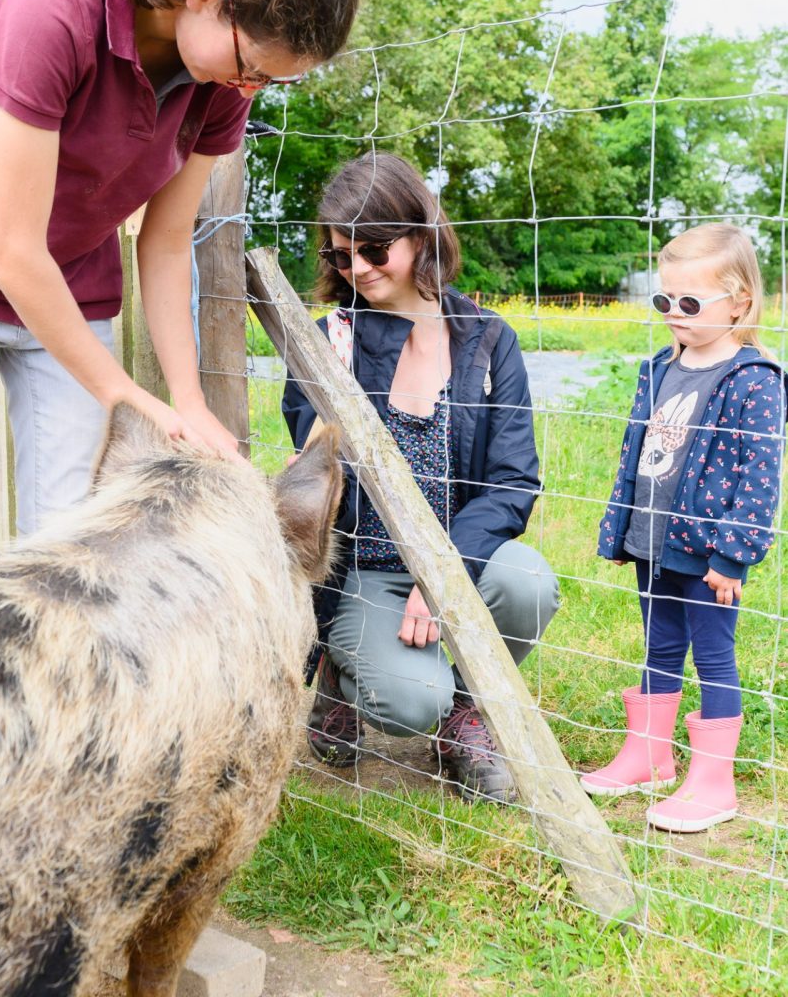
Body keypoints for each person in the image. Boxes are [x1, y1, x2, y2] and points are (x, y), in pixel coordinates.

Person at [0, 0, 359, 566]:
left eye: (271, 82)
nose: (253, 88)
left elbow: (164, 245)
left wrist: (186, 401)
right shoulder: (54, 10)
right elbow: (10, 249)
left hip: (72, 292)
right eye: (255, 68)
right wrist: (126, 394)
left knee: (71, 538)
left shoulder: (222, 83)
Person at [282, 152, 560, 803]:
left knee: (528, 584)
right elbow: (314, 462)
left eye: (375, 250)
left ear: (422, 233)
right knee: (408, 701)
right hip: (366, 569)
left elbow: (514, 481)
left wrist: (443, 580)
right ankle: (344, 675)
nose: (358, 270)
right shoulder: (329, 341)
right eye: (341, 257)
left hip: (461, 559)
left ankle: (467, 713)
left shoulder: (489, 340)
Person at [589, 224, 786, 832]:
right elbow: (637, 453)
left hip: (708, 555)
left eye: (691, 303)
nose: (674, 314)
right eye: (664, 300)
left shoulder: (753, 381)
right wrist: (620, 531)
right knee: (659, 644)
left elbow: (761, 479)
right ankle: (649, 756)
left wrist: (733, 555)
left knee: (713, 653)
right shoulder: (660, 368)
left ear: (740, 302)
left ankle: (713, 781)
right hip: (654, 540)